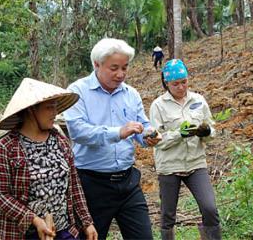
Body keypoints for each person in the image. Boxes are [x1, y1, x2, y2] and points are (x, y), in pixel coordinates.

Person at [63, 38, 162, 240]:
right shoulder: (77, 92)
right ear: (96, 64)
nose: (121, 74)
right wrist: (118, 132)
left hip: (128, 182)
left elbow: (141, 125)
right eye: (114, 68)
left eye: (125, 67)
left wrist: (149, 135)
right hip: (91, 183)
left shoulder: (130, 93)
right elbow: (79, 132)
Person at [0, 78, 98, 240]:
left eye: (55, 107)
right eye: (49, 108)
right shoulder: (5, 148)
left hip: (64, 231)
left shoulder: (60, 142)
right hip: (24, 234)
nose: (55, 113)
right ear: (31, 110)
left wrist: (87, 222)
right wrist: (34, 219)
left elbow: (74, 186)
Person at [150, 59, 221, 240]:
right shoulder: (158, 106)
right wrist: (178, 134)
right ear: (166, 83)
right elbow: (156, 141)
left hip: (196, 163)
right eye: (175, 84)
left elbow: (211, 130)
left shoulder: (198, 100)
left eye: (184, 82)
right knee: (168, 215)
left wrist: (206, 132)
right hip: (169, 166)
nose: (181, 87)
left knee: (209, 208)